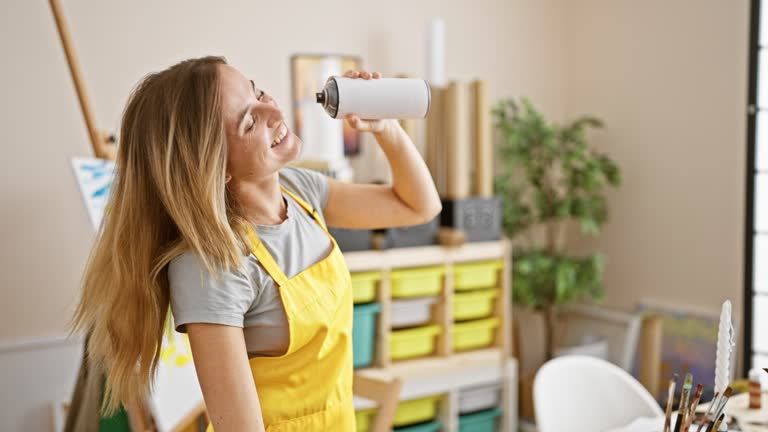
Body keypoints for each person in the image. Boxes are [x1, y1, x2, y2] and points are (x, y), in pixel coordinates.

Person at [72, 55, 441, 431]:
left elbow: (418, 206)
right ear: (216, 167)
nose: (273, 111)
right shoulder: (211, 267)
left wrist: (386, 129)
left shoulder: (299, 192)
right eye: (250, 121)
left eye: (258, 91)